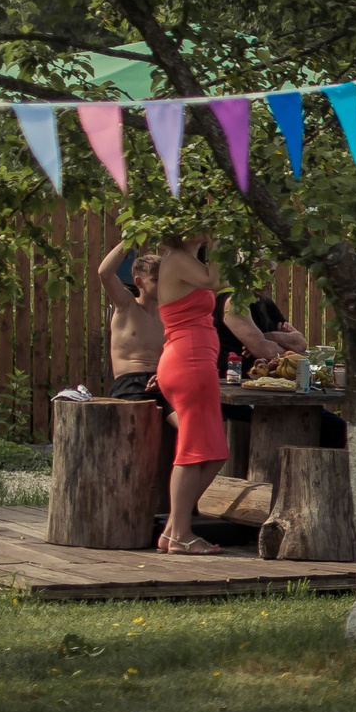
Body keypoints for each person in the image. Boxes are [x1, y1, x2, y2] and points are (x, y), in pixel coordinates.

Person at [138, 237, 230, 555]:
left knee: (215, 452)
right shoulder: (176, 257)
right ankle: (181, 534)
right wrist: (221, 242)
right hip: (188, 361)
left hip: (195, 360)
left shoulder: (186, 261)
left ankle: (172, 530)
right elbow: (214, 281)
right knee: (192, 451)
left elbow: (222, 279)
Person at [96, 241, 164, 400]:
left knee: (187, 414)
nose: (162, 284)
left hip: (162, 381)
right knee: (143, 419)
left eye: (164, 279)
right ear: (139, 282)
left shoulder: (167, 315)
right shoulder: (127, 305)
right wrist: (132, 238)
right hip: (130, 383)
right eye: (155, 279)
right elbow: (104, 273)